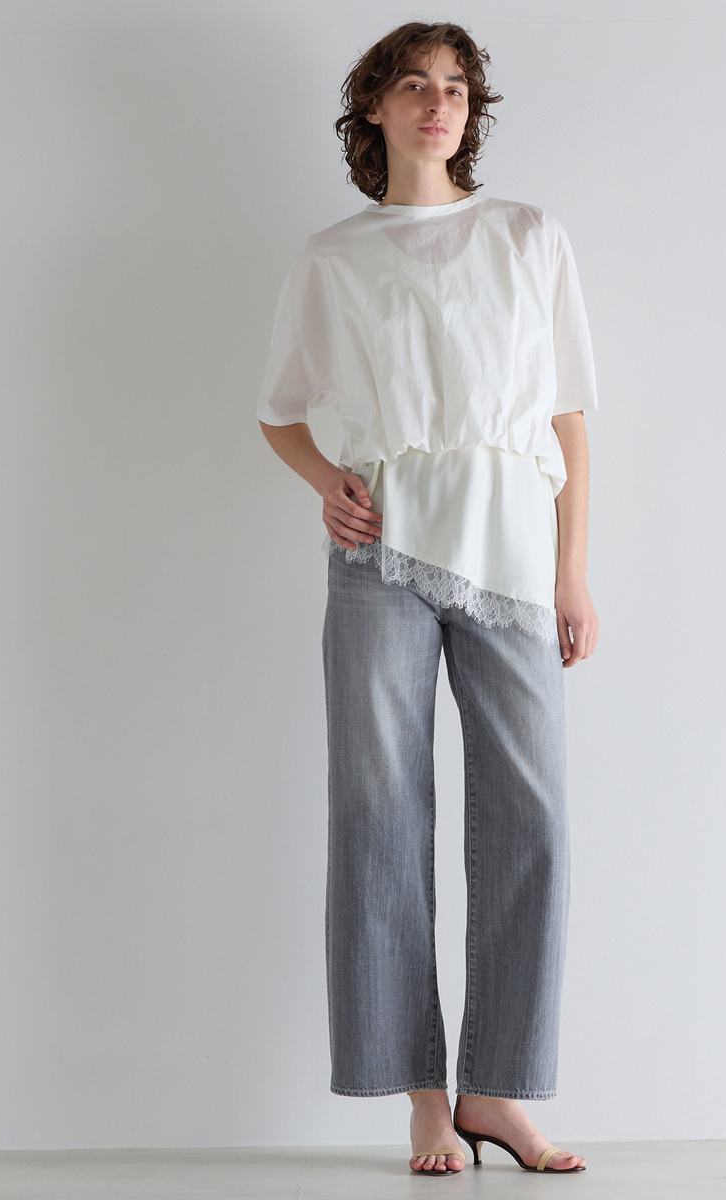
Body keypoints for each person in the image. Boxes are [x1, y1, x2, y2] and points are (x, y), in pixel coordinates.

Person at [257, 21, 598, 1176]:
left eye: (456, 87)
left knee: (532, 822)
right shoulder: (333, 257)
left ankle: (494, 1093)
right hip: (383, 562)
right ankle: (422, 1097)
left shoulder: (528, 236)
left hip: (512, 559)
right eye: (414, 85)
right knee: (380, 820)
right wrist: (327, 484)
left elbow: (568, 420)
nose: (438, 103)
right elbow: (278, 411)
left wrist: (572, 569)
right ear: (375, 107)